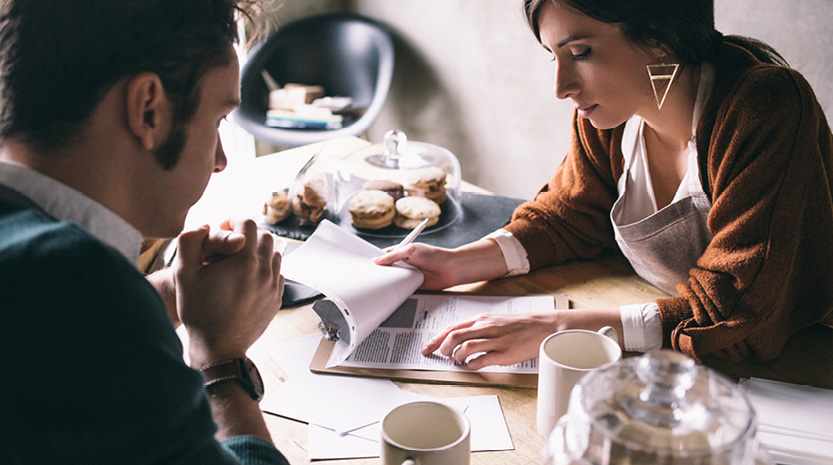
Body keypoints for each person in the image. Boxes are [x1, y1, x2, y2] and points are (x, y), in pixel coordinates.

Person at [376, 0, 833, 370]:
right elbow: (571, 213)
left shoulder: (765, 108)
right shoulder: (606, 117)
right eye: (554, 57)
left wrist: (560, 329)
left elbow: (738, 311)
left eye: (580, 54)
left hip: (795, 363)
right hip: (665, 341)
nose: (561, 86)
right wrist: (460, 263)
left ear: (659, 37)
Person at [0, 1, 289, 463]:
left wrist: (173, 289)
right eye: (216, 120)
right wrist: (221, 359)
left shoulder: (43, 276)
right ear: (149, 109)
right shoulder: (77, 284)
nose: (220, 160)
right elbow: (77, 310)